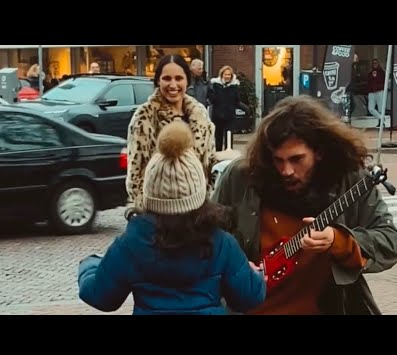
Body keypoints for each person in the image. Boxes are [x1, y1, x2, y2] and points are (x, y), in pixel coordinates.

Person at [211, 95, 397, 315]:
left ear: (319, 152)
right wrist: (233, 265)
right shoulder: (241, 177)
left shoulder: (349, 180)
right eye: (278, 160)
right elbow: (205, 238)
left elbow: (391, 241)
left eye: (297, 159)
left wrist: (339, 241)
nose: (286, 171)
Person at [78, 121, 267, 315]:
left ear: (150, 195)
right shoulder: (220, 242)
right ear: (199, 194)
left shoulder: (131, 243)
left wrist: (89, 265)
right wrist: (256, 275)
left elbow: (100, 296)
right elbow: (250, 297)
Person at [126, 54, 216, 211]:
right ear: (158, 81)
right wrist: (148, 212)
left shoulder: (200, 114)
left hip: (197, 212)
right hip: (160, 215)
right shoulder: (145, 116)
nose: (173, 84)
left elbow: (208, 163)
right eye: (167, 78)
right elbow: (136, 173)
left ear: (187, 81)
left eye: (179, 78)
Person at [208, 65, 249, 151]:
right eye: (225, 74)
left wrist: (246, 109)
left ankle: (228, 154)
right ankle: (218, 155)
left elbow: (236, 101)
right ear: (222, 75)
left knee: (229, 137)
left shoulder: (234, 87)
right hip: (217, 116)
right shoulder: (215, 85)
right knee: (218, 138)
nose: (227, 76)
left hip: (230, 116)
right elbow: (212, 100)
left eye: (229, 75)